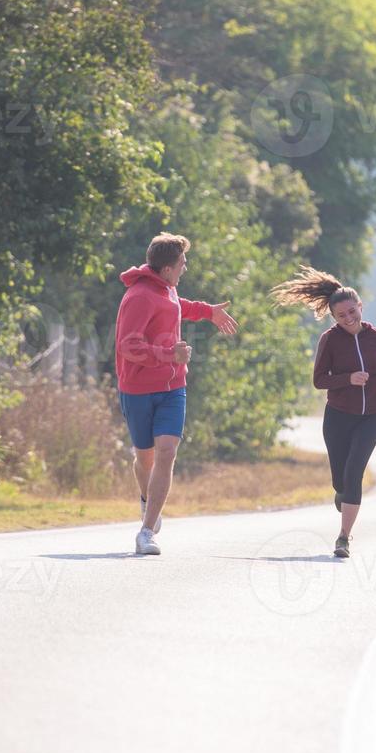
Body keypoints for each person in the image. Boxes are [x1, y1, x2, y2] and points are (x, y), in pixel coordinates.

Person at [114, 233, 238, 555]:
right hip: (139, 389)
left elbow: (175, 308)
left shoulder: (167, 289)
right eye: (183, 263)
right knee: (145, 458)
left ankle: (146, 532)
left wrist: (208, 311)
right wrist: (170, 354)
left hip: (172, 389)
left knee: (166, 451)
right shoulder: (139, 296)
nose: (186, 267)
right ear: (168, 268)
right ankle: (147, 501)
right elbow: (128, 346)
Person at [271, 266, 376, 559]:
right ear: (333, 317)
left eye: (353, 312)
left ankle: (343, 537)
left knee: (354, 473)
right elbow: (319, 380)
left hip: (372, 415)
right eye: (342, 316)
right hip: (339, 416)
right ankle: (343, 494)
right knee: (340, 481)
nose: (349, 319)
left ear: (360, 306)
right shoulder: (330, 340)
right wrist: (348, 378)